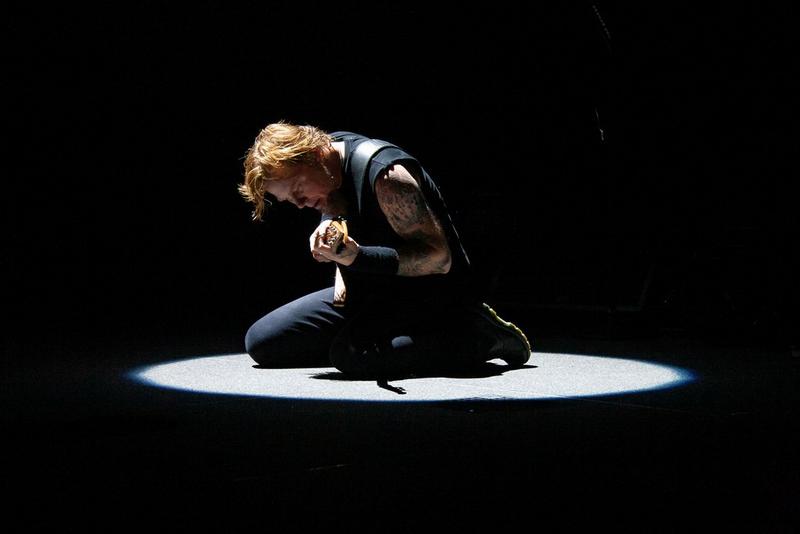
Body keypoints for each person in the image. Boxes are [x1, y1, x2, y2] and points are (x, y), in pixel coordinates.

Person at [238, 121, 531, 380]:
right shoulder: (329, 161)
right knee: (263, 342)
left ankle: (478, 334)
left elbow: (439, 259)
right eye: (290, 200)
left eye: (298, 190)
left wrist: (358, 257)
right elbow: (339, 198)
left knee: (352, 356)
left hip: (431, 292)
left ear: (315, 155)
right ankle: (380, 342)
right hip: (373, 288)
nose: (300, 204)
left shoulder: (388, 177)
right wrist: (330, 229)